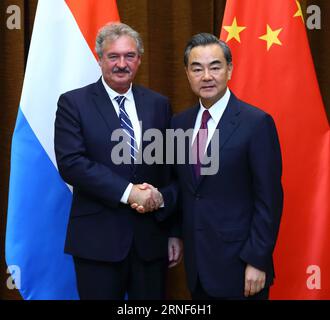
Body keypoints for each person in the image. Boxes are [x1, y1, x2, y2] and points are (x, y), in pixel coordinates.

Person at [54, 22, 182, 300]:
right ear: (99, 59)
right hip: (97, 243)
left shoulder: (159, 104)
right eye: (113, 56)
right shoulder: (73, 103)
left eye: (129, 56)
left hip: (150, 242)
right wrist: (129, 193)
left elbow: (170, 171)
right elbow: (71, 163)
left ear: (139, 60)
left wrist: (173, 230)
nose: (122, 64)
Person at [171, 33, 283, 300]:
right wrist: (173, 233)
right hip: (197, 266)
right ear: (187, 73)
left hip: (241, 265)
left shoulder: (256, 123)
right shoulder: (179, 124)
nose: (206, 76)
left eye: (215, 66)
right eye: (197, 68)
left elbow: (269, 198)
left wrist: (258, 259)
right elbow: (183, 187)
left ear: (230, 70)